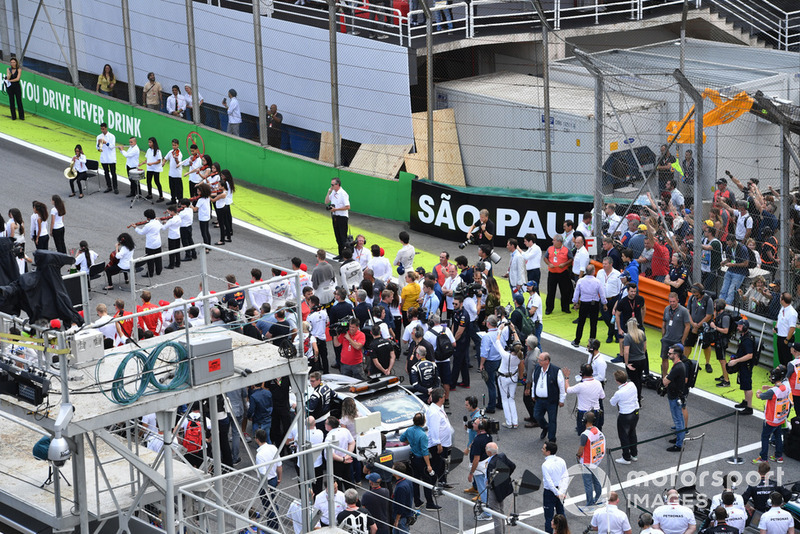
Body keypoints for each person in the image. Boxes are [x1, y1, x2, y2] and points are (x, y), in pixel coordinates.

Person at [753, 365, 791, 464]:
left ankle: (763, 457)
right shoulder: (785, 387)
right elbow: (778, 389)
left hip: (771, 419)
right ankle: (778, 456)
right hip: (781, 417)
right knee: (778, 436)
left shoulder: (772, 391)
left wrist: (758, 392)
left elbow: (759, 396)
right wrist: (769, 387)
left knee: (765, 437)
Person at [399, 412, 437, 510]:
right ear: (423, 422)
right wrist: (429, 465)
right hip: (421, 460)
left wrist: (410, 442)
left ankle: (417, 502)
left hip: (413, 458)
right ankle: (430, 503)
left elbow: (402, 438)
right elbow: (425, 452)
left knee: (415, 481)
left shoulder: (409, 430)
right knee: (427, 481)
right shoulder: (423, 435)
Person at [494, 323, 523, 428]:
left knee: (505, 400)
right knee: (511, 399)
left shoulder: (506, 356)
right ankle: (515, 422)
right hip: (513, 377)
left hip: (503, 377)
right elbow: (518, 343)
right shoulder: (520, 356)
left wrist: (500, 330)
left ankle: (509, 422)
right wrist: (513, 329)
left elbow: (497, 342)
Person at [564, 363, 605, 436]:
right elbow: (602, 396)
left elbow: (568, 390)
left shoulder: (581, 386)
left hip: (584, 413)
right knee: (594, 434)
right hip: (595, 411)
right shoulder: (598, 383)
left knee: (584, 435)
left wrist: (566, 378)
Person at [572, 264, 607, 348]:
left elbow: (576, 293)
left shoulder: (580, 281)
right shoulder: (597, 281)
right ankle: (592, 343)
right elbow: (602, 294)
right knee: (593, 324)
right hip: (594, 304)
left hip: (584, 303)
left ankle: (577, 340)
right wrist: (604, 303)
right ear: (593, 272)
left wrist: (575, 303)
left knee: (581, 323)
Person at [533, 352, 566, 441]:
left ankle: (551, 439)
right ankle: (545, 427)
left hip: (551, 401)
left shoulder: (556, 371)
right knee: (537, 416)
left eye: (540, 360)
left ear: (547, 361)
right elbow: (534, 382)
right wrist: (533, 394)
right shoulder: (537, 368)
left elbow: (561, 387)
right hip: (539, 400)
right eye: (538, 359)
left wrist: (562, 400)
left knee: (552, 420)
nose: (538, 361)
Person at [485, 442, 516, 533]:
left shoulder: (491, 464)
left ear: (489, 452)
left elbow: (491, 480)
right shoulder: (502, 456)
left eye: (486, 449)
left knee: (496, 514)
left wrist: (493, 482)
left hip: (495, 490)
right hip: (503, 488)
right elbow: (512, 466)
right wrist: (505, 477)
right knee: (501, 511)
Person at [610, 369, 639, 464]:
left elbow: (612, 402)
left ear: (617, 381)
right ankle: (634, 454)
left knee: (624, 436)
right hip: (635, 413)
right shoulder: (632, 384)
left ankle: (626, 457)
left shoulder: (619, 393)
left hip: (625, 415)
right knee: (632, 433)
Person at [576, 411, 605, 507]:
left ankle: (589, 503)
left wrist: (577, 455)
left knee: (588, 484)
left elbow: (581, 450)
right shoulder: (597, 430)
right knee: (596, 480)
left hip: (587, 461)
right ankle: (599, 497)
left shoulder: (585, 434)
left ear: (584, 420)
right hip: (595, 461)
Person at [663, 345, 687, 452]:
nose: (668, 355)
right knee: (679, 419)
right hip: (676, 395)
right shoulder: (679, 365)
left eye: (670, 353)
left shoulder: (677, 367)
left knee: (678, 420)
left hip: (674, 396)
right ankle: (679, 438)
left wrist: (666, 376)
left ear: (676, 355)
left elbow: (665, 381)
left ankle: (679, 444)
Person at [685, 284, 714, 373]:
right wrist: (693, 324)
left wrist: (699, 325)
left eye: (697, 295)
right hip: (693, 325)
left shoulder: (708, 300)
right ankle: (684, 361)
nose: (695, 296)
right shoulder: (692, 298)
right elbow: (688, 311)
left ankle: (707, 363)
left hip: (704, 327)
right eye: (694, 294)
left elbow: (709, 315)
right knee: (688, 344)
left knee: (706, 345)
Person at [660, 292, 691, 376]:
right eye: (670, 301)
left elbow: (687, 326)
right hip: (666, 339)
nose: (672, 303)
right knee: (664, 358)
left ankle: (673, 377)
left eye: (674, 301)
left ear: (677, 300)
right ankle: (664, 377)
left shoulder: (683, 311)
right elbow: (664, 322)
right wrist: (663, 336)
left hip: (677, 341)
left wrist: (683, 340)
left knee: (677, 361)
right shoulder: (666, 309)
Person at [729, 319, 755, 416]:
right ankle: (745, 402)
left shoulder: (748, 340)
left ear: (744, 327)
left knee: (747, 385)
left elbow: (750, 355)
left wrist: (736, 361)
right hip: (742, 365)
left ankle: (749, 407)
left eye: (739, 326)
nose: (737, 327)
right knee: (744, 383)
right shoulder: (744, 336)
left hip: (746, 365)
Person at [542, 441, 568, 534]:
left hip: (550, 493)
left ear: (548, 452)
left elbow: (549, 482)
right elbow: (565, 477)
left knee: (549, 518)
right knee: (561, 515)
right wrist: (561, 492)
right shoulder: (561, 460)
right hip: (560, 490)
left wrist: (557, 493)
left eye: (544, 448)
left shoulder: (545, 465)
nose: (542, 450)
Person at [545, 234, 573, 315]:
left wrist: (565, 264)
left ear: (559, 241)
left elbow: (571, 259)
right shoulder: (550, 249)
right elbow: (545, 258)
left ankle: (565, 308)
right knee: (550, 292)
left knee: (565, 291)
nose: (552, 241)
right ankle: (549, 308)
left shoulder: (566, 250)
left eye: (554, 240)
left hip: (563, 273)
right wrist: (549, 263)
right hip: (552, 273)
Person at [598, 257, 623, 344]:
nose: (603, 265)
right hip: (603, 299)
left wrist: (618, 301)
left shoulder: (617, 274)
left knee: (615, 318)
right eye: (603, 263)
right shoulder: (600, 273)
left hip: (614, 299)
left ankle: (611, 335)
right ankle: (613, 332)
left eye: (606, 264)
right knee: (606, 318)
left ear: (611, 264)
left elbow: (620, 288)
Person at [720, 235, 750, 305]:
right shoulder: (728, 247)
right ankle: (720, 305)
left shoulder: (742, 248)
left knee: (731, 291)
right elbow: (730, 258)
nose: (728, 246)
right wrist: (724, 262)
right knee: (723, 289)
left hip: (739, 272)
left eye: (730, 244)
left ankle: (726, 307)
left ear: (734, 241)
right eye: (727, 244)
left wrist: (733, 265)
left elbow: (746, 263)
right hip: (730, 270)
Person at [325, 178, 350, 259]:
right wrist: (328, 192)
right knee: (337, 237)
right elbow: (326, 201)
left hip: (342, 217)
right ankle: (340, 254)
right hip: (335, 217)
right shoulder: (333, 192)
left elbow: (348, 206)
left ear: (337, 184)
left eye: (333, 185)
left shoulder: (343, 194)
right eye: (331, 185)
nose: (331, 186)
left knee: (343, 237)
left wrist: (336, 209)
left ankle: (344, 255)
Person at [134, 209, 163, 278]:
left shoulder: (148, 225)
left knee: (150, 260)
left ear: (148, 218)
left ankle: (150, 273)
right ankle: (159, 270)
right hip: (158, 243)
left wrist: (135, 228)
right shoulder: (158, 222)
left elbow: (141, 232)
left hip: (150, 245)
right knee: (158, 258)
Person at [774, 293, 797, 366]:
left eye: (781, 298)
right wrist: (776, 327)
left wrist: (787, 340)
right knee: (781, 358)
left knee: (787, 358)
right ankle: (782, 374)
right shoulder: (782, 308)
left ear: (783, 300)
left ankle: (788, 375)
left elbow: (792, 328)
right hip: (780, 336)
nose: (779, 299)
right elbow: (779, 318)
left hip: (786, 338)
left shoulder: (792, 313)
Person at [392, 463, 415, 533]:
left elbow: (400, 505)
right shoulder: (408, 481)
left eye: (393, 468)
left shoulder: (400, 487)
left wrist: (397, 520)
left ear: (397, 473)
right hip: (407, 513)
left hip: (402, 517)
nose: (391, 469)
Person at [96, 122, 118, 194]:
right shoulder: (99, 136)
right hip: (104, 158)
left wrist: (106, 143)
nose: (102, 130)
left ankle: (115, 187)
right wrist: (99, 143)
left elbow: (112, 147)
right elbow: (97, 148)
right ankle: (109, 186)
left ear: (106, 128)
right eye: (101, 129)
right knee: (106, 173)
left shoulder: (112, 136)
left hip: (111, 158)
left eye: (103, 129)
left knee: (113, 173)